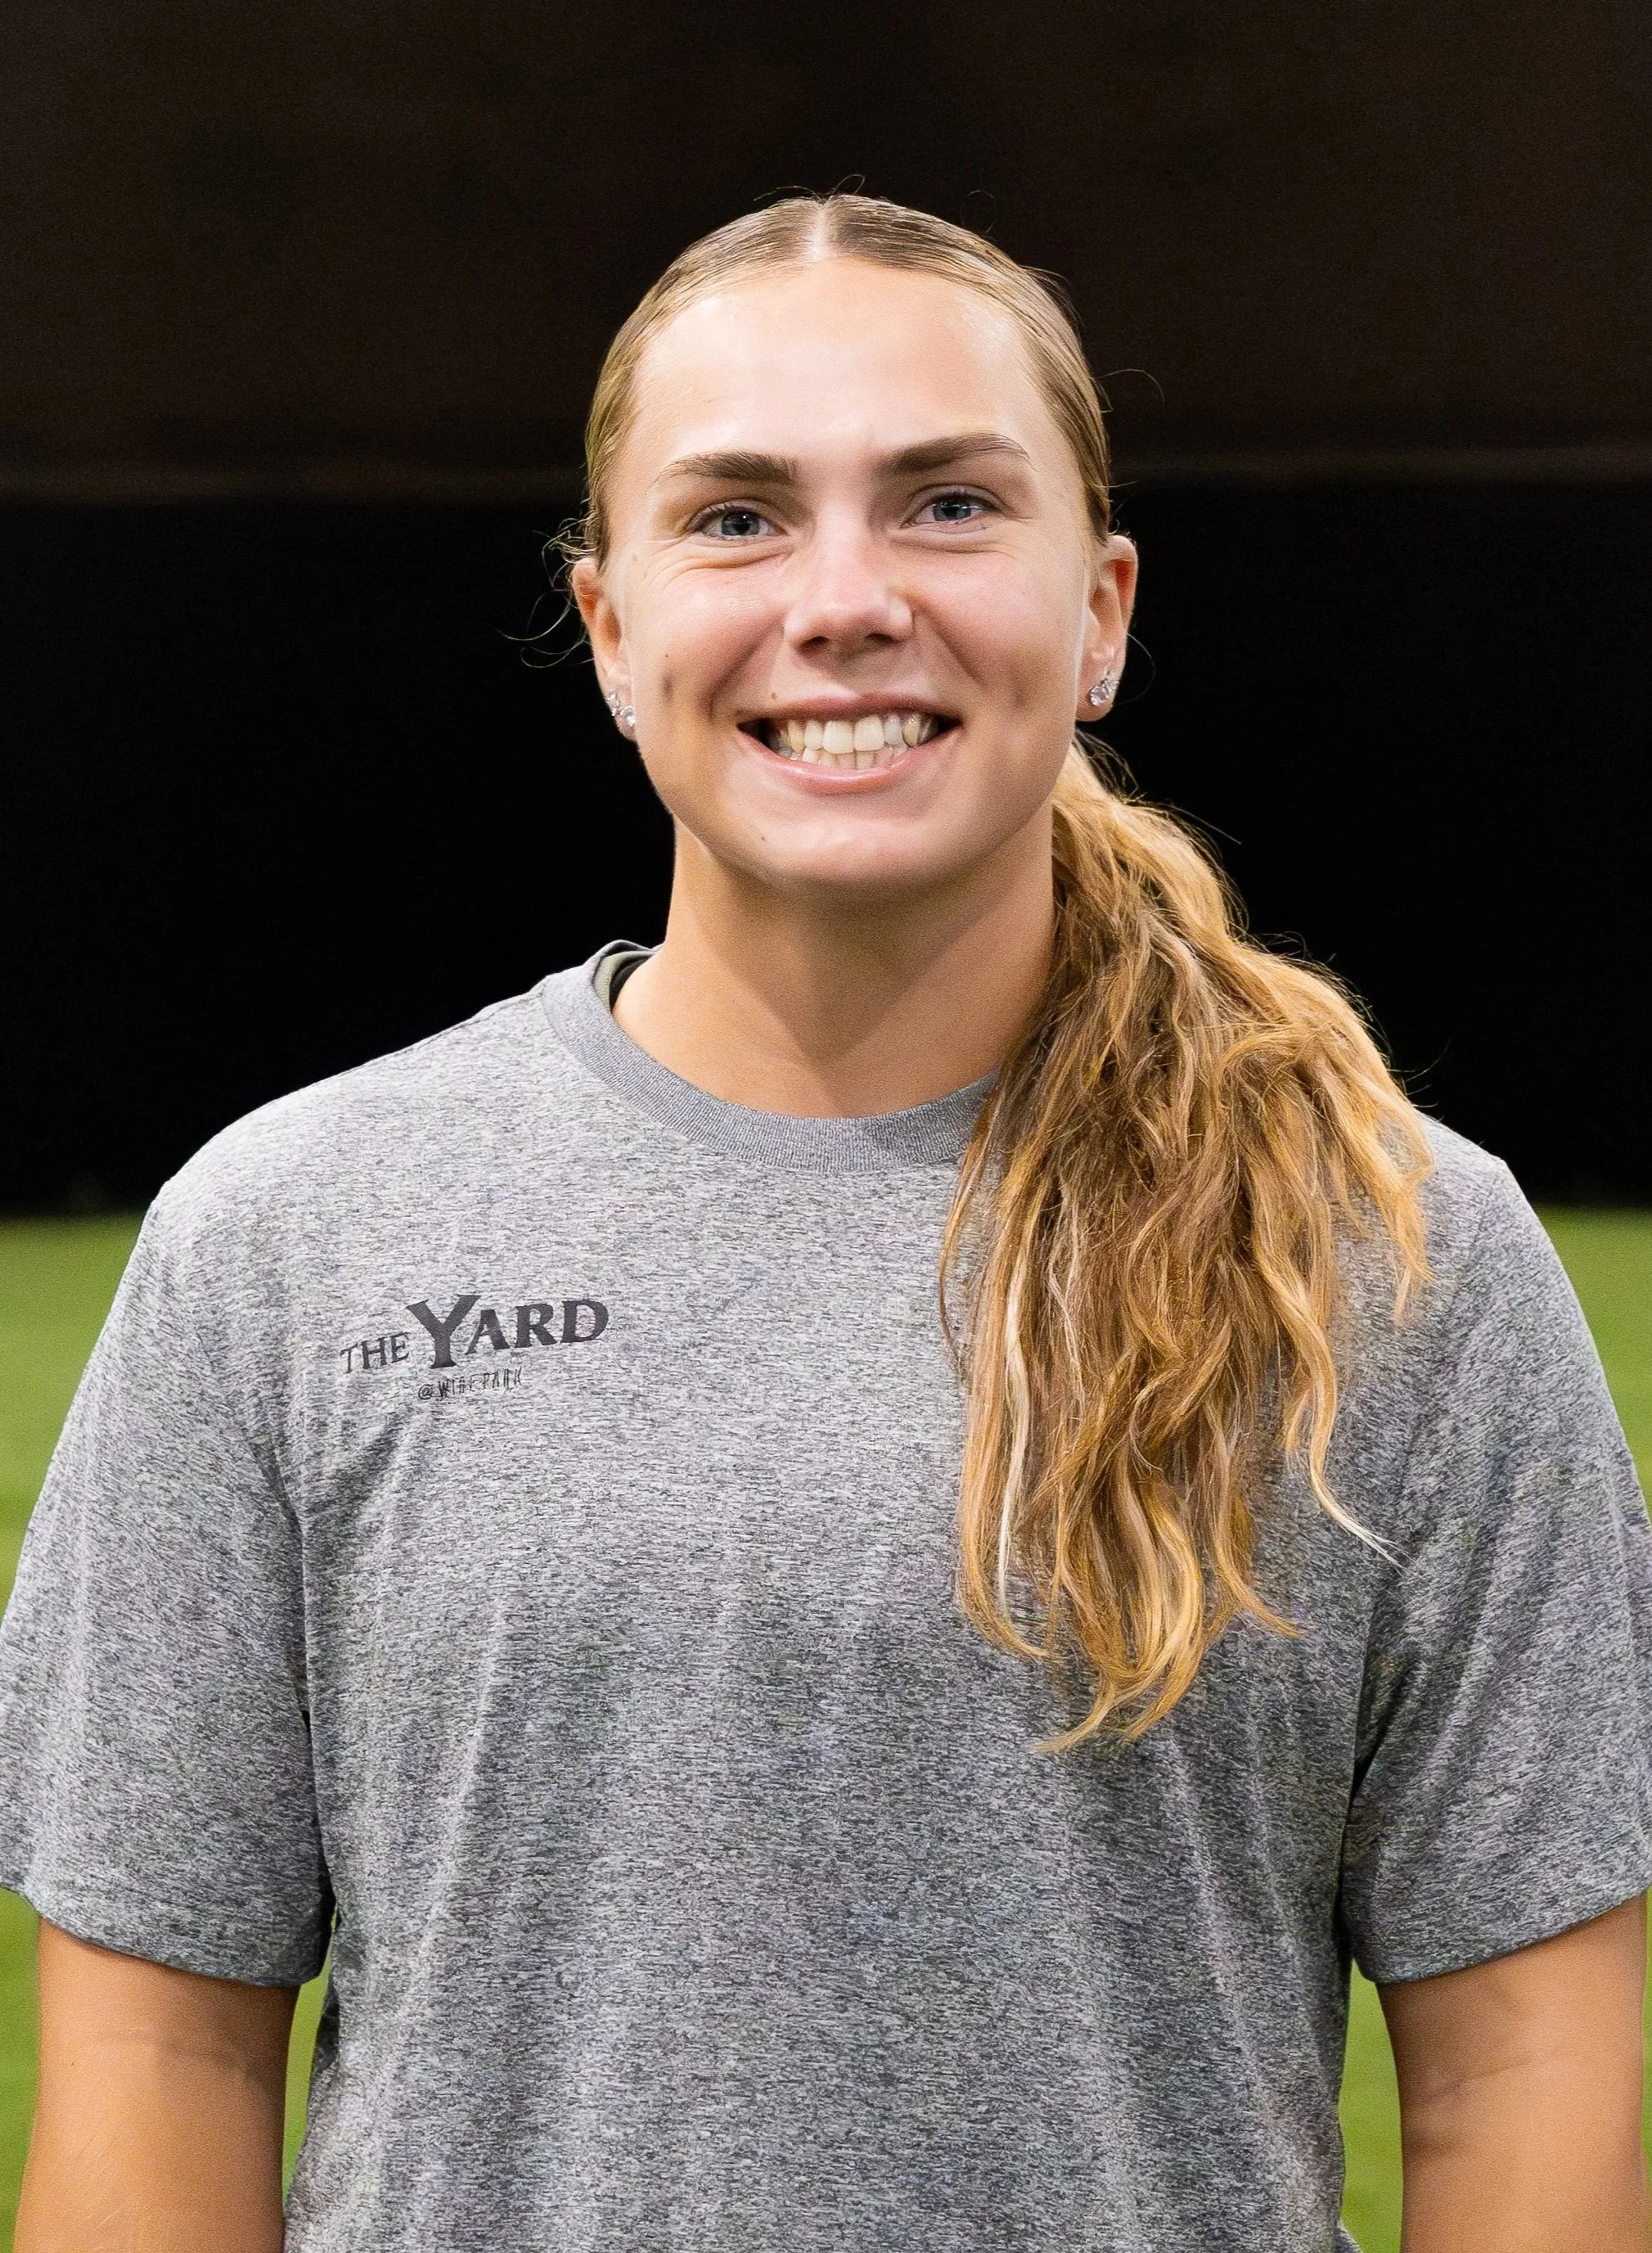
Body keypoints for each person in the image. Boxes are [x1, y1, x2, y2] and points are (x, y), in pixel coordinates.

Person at [2, 193, 1650, 2253]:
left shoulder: (1396, 1261)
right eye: (737, 516)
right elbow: (162, 2057)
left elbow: (1525, 2075)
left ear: (1105, 603)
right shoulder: (287, 1240)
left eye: (950, 504)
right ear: (610, 630)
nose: (848, 597)